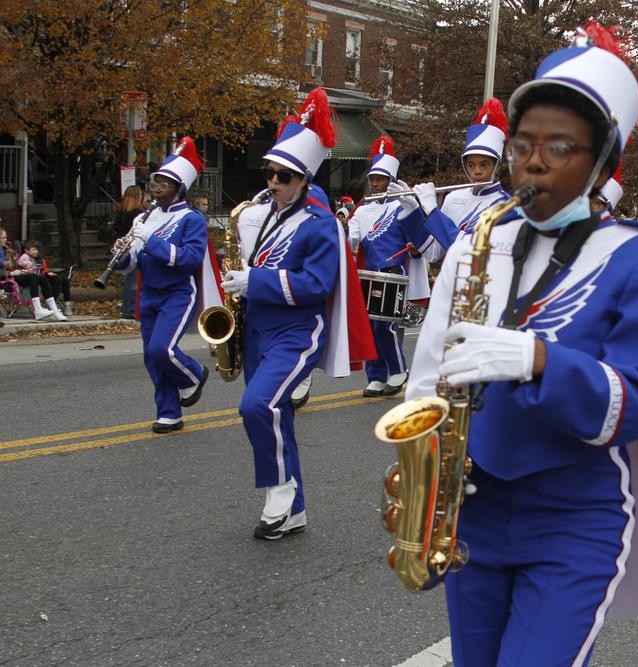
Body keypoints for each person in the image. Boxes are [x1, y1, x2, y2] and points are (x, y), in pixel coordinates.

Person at [405, 23, 638, 666]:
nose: (532, 162)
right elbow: (427, 377)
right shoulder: (479, 238)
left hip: (573, 514)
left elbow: (637, 404)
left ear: (600, 164)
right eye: (523, 144)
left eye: (559, 146)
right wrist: (423, 486)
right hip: (472, 506)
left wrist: (538, 361)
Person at [221, 89, 373, 539]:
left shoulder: (321, 224)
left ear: (303, 178)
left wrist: (256, 281)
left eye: (283, 176)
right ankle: (297, 511)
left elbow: (317, 285)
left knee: (258, 404)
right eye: (269, 173)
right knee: (278, 413)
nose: (273, 182)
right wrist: (238, 284)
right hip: (257, 330)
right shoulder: (260, 215)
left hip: (298, 330)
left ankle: (280, 489)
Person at [111, 137, 218, 433]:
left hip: (177, 291)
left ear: (178, 188)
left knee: (162, 349)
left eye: (164, 184)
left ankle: (194, 375)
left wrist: (151, 240)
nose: (156, 189)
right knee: (151, 357)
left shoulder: (191, 219)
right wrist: (119, 256)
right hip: (149, 293)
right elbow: (133, 262)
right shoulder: (146, 217)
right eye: (155, 183)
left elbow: (188, 259)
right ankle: (169, 412)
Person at [349, 134, 431, 397]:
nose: (376, 184)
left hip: (394, 274)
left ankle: (398, 371)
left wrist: (413, 214)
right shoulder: (361, 210)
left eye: (381, 179)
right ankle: (375, 376)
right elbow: (352, 238)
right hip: (369, 274)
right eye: (373, 179)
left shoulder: (401, 206)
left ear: (391, 181)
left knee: (386, 327)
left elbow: (418, 240)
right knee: (370, 328)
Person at [406, 98, 511, 261]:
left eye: (484, 164)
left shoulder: (506, 207)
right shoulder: (453, 198)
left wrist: (433, 212)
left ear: (496, 164)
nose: (477, 171)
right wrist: (412, 212)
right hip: (449, 283)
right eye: (471, 164)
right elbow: (433, 254)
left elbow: (468, 249)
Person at [115, 184, 149, 319]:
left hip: (124, 247)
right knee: (134, 279)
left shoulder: (122, 212)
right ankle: (130, 309)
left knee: (130, 279)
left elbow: (116, 228)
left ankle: (126, 307)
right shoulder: (138, 215)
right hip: (134, 247)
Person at [14, 240, 68, 320]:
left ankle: (54, 310)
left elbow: (38, 269)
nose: (36, 251)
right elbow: (30, 267)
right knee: (35, 276)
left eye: (37, 249)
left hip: (30, 276)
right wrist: (36, 268)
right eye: (34, 249)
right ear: (26, 250)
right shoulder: (24, 257)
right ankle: (38, 309)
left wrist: (45, 272)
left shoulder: (35, 258)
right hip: (18, 277)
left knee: (44, 278)